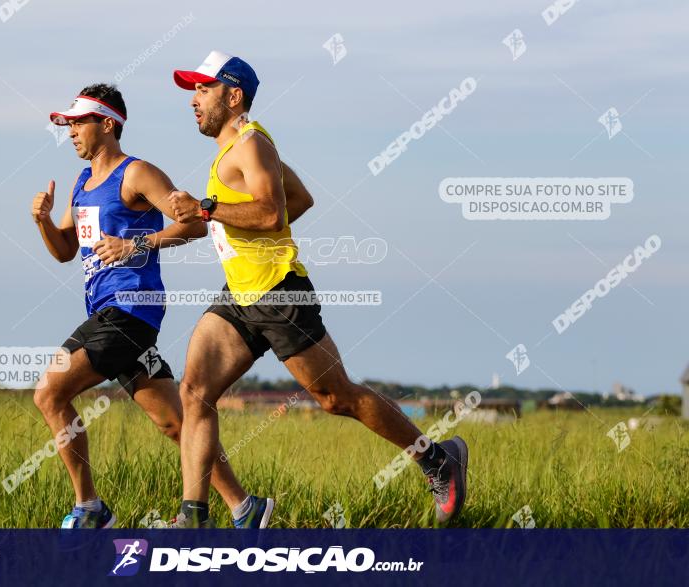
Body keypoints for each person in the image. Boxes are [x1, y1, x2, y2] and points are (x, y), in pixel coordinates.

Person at [167, 51, 468, 528]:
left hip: (280, 294)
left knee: (336, 398)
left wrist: (208, 209)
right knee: (194, 392)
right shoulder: (231, 152)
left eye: (202, 89)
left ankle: (437, 460)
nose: (193, 100)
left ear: (234, 95)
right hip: (241, 295)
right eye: (193, 91)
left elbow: (271, 213)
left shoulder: (251, 144)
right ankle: (196, 517)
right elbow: (299, 200)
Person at [31, 82, 314, 528]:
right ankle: (245, 506)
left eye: (78, 121)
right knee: (177, 425)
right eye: (67, 123)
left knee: (49, 392)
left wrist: (134, 245)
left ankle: (90, 509)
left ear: (107, 124)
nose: (70, 131)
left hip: (128, 311)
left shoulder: (137, 173)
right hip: (106, 312)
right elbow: (65, 250)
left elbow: (194, 225)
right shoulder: (82, 183)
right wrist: (44, 221)